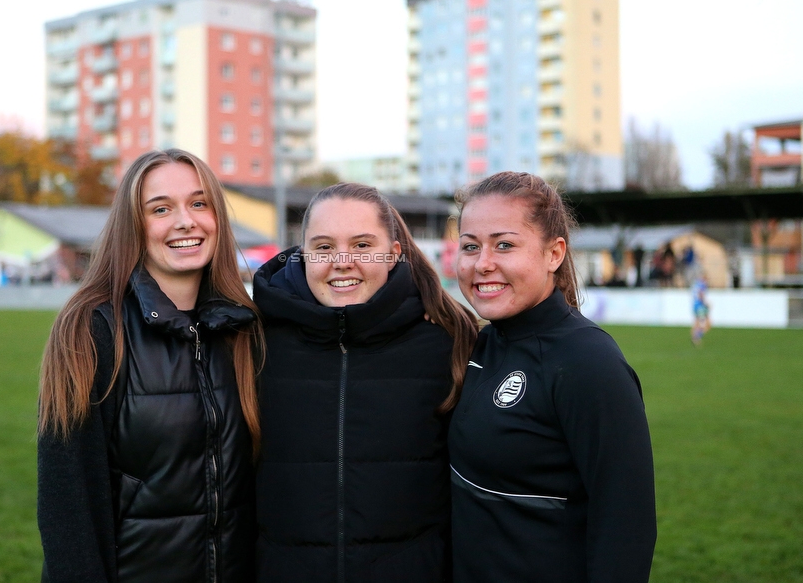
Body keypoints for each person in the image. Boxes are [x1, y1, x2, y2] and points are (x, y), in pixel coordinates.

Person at [37, 149, 263, 583]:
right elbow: (69, 507)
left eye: (199, 203)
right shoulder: (91, 328)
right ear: (133, 226)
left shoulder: (245, 329)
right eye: (161, 209)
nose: (185, 221)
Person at [252, 183, 477, 583]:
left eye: (361, 245)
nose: (342, 261)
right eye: (323, 248)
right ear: (302, 255)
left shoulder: (448, 342)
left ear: (392, 254)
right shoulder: (255, 343)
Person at [450, 172, 656, 583]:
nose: (482, 263)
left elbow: (626, 525)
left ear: (553, 253)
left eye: (504, 244)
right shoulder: (480, 344)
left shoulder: (587, 361)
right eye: (470, 246)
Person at [691, 272, 711, 345]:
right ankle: (697, 337)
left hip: (695, 305)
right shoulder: (702, 284)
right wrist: (706, 304)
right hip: (700, 306)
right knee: (707, 324)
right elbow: (700, 294)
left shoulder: (696, 284)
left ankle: (694, 338)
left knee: (696, 322)